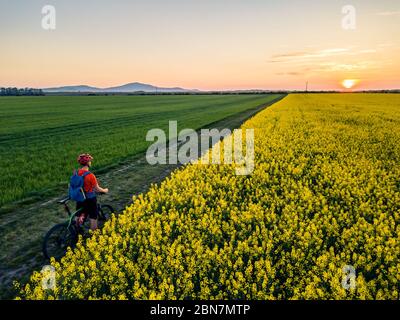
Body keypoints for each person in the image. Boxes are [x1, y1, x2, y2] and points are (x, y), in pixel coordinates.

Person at [76, 153, 109, 231]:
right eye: (90, 161)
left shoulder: (77, 173)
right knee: (93, 216)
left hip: (80, 198)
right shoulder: (90, 175)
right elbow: (97, 189)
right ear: (87, 163)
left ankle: (76, 231)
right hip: (90, 199)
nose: (91, 162)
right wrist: (105, 190)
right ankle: (94, 233)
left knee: (80, 214)